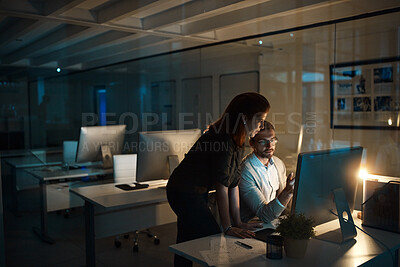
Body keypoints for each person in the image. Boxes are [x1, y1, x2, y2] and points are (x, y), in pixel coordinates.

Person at [166, 92, 269, 267]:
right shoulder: (223, 138)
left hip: (193, 191)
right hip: (183, 191)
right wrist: (228, 227)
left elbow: (233, 184)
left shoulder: (237, 139)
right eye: (259, 120)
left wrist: (238, 223)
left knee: (186, 240)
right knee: (214, 239)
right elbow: (222, 186)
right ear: (244, 118)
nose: (261, 126)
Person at [239, 121, 295, 224]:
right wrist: (287, 193)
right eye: (263, 141)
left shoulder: (278, 163)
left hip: (275, 223)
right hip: (254, 227)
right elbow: (264, 215)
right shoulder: (245, 171)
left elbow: (286, 207)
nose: (269, 146)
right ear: (252, 143)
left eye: (272, 140)